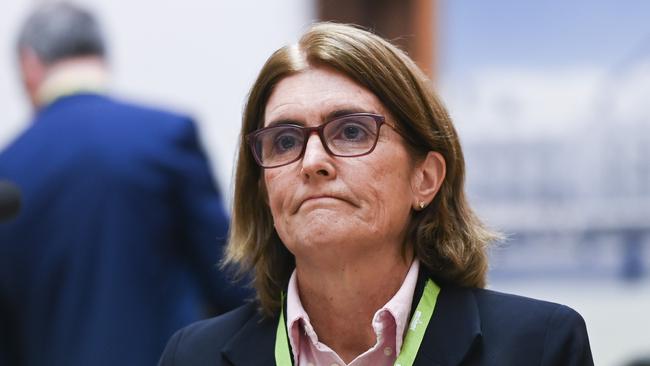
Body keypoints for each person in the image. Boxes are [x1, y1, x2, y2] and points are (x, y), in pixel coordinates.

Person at [158, 23, 594, 366]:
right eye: (285, 141)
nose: (312, 162)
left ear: (425, 178)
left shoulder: (538, 347)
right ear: (264, 190)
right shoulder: (193, 356)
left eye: (351, 131)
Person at [0, 3, 248, 366]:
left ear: (29, 63)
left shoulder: (9, 167)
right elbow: (229, 278)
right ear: (100, 55)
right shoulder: (166, 135)